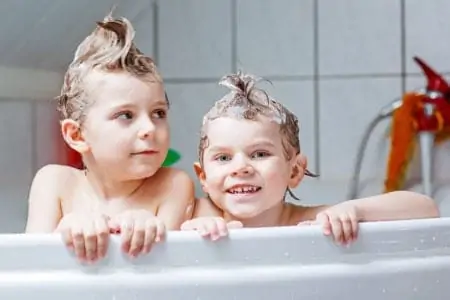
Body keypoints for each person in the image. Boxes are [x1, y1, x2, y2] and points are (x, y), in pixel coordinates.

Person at [181, 71, 440, 244]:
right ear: (202, 176)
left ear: (295, 171)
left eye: (259, 154)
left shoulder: (312, 222)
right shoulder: (196, 221)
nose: (241, 167)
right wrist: (189, 238)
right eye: (223, 158)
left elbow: (426, 209)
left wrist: (355, 209)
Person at [25, 14, 195, 263]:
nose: (149, 128)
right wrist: (63, 232)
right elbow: (29, 268)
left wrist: (151, 229)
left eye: (158, 113)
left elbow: (168, 276)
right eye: (126, 115)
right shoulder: (54, 183)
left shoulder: (173, 184)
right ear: (77, 134)